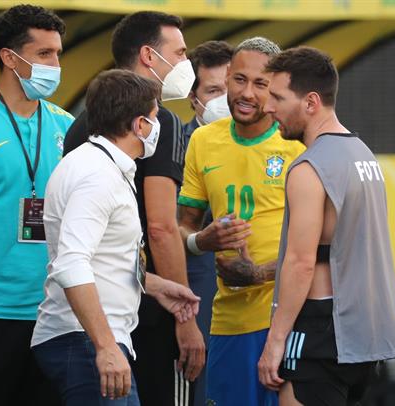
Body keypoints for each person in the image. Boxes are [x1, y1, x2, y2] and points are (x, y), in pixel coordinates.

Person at [31, 68, 200, 406]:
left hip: (87, 339)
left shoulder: (103, 167)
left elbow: (101, 257)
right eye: (154, 119)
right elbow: (72, 263)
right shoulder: (97, 175)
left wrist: (153, 285)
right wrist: (106, 346)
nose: (157, 128)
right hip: (83, 340)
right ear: (139, 125)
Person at [257, 46, 395, 406]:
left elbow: (301, 262)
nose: (268, 107)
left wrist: (276, 340)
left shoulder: (310, 168)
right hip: (364, 333)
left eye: (278, 97)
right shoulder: (363, 154)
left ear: (310, 102)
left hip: (321, 327)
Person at [178, 36, 306, 406]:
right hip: (227, 322)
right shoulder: (203, 141)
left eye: (261, 84)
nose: (246, 93)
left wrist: (260, 273)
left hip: (286, 322)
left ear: (278, 87)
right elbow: (183, 225)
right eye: (239, 80)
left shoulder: (297, 146)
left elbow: (324, 246)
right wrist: (202, 241)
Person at [0, 5, 73, 405]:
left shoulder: (68, 127)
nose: (56, 64)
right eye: (45, 54)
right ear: (9, 58)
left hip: (54, 313)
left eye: (59, 53)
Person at [182, 39, 233, 406]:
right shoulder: (175, 146)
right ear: (194, 98)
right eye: (214, 90)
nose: (228, 99)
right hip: (198, 310)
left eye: (232, 87)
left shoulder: (276, 144)